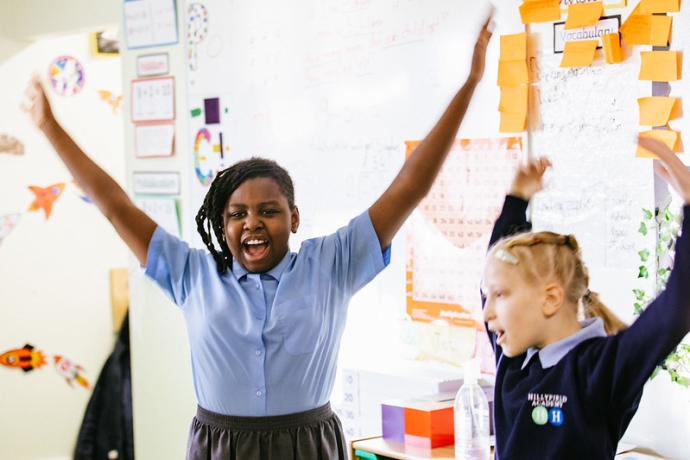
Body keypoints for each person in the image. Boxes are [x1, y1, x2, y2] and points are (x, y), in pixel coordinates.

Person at [23, 15, 494, 460]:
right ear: (221, 225)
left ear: (293, 218)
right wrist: (48, 126)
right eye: (237, 214)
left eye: (268, 211)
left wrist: (470, 83)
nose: (251, 223)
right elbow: (114, 204)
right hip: (220, 445)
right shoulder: (191, 273)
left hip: (308, 443)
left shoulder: (332, 263)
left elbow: (409, 186)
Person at [481, 138, 690, 459]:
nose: (487, 312)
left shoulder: (600, 367)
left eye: (499, 296)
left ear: (551, 299)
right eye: (486, 296)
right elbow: (501, 272)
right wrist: (517, 199)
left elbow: (675, 310)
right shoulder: (513, 361)